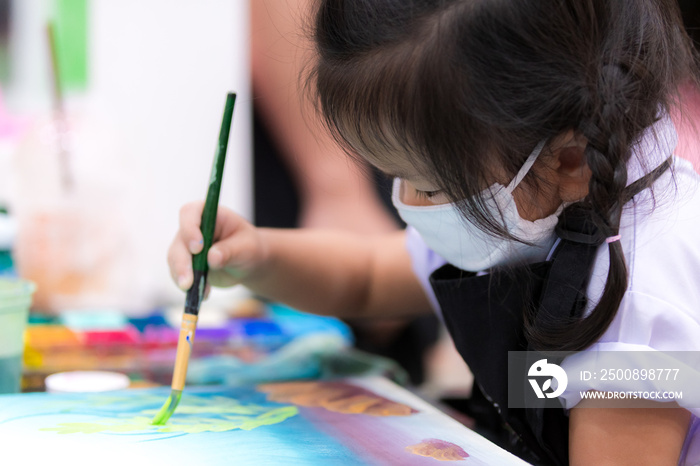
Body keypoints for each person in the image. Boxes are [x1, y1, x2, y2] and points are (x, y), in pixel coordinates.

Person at [169, 1, 700, 464]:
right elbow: (368, 278)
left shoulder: (642, 312)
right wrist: (257, 255)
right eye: (393, 178)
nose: (405, 202)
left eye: (428, 185)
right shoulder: (538, 198)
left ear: (567, 159)